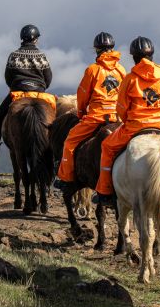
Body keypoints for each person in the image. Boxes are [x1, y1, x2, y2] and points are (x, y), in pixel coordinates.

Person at [93, 36, 160, 207]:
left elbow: (121, 108)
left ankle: (104, 191)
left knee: (107, 146)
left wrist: (128, 122)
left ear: (133, 57)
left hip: (136, 127)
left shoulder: (130, 78)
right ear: (152, 55)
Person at [54, 32, 126, 191]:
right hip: (118, 118)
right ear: (112, 48)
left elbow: (82, 94)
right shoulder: (121, 70)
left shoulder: (92, 70)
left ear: (96, 50)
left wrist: (80, 113)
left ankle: (66, 179)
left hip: (96, 117)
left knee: (69, 142)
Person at [0, 24, 52, 155]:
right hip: (39, 94)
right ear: (35, 39)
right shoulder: (41, 56)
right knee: (56, 118)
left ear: (22, 38)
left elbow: (8, 77)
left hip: (18, 92)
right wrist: (40, 88)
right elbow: (48, 78)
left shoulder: (14, 55)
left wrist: (15, 87)